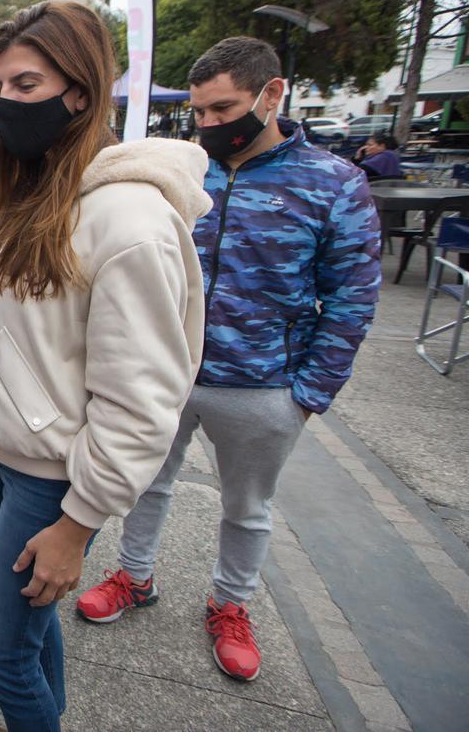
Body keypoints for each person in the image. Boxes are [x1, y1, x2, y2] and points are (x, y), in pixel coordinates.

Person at [76, 36, 382, 682]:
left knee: (247, 507)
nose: (211, 125)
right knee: (145, 482)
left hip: (263, 386)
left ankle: (230, 603)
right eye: (201, 114)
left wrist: (305, 397)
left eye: (224, 109)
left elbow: (353, 297)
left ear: (272, 95)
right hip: (169, 372)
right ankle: (134, 575)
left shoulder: (333, 183)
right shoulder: (187, 171)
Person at [0, 1, 210, 731]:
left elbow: (141, 400)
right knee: (34, 630)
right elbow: (14, 335)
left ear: (82, 92)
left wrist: (78, 523)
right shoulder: (29, 189)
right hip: (8, 457)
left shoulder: (130, 222)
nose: (7, 105)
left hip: (54, 476)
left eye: (27, 85)